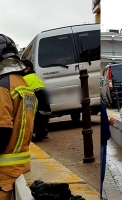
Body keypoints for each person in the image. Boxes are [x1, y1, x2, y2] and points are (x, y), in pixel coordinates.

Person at [0, 34, 37, 200]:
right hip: (20, 163)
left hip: (3, 171)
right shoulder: (23, 84)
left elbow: (2, 129)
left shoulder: (3, 86)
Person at [20, 59, 51, 142]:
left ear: (27, 69)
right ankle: (42, 132)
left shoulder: (24, 79)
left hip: (37, 113)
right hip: (46, 111)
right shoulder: (36, 78)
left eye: (20, 68)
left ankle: (35, 133)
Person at [101, 98, 115, 200]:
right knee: (100, 173)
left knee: (102, 173)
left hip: (104, 139)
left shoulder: (100, 100)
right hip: (101, 140)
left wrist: (107, 121)